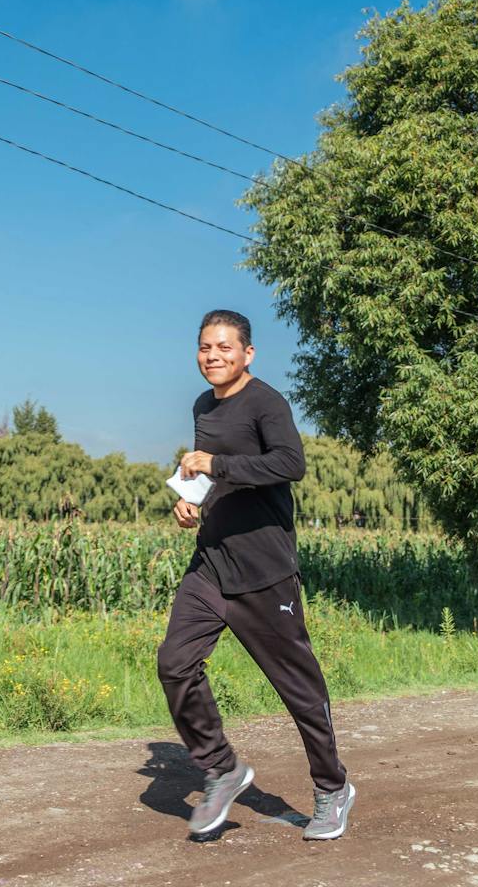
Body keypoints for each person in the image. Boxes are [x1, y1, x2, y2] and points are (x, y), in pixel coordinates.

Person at [157, 308, 354, 840]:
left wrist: (216, 467)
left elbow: (289, 464)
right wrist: (192, 499)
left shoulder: (267, 403)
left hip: (264, 571)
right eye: (205, 347)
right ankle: (221, 768)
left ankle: (332, 789)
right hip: (211, 564)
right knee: (175, 665)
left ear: (248, 353)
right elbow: (213, 471)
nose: (213, 356)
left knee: (299, 690)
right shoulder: (203, 405)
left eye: (224, 347)